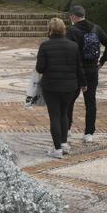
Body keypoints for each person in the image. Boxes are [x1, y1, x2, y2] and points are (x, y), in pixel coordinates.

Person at [36, 17, 86, 159]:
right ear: (64, 29)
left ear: (50, 29)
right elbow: (79, 67)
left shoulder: (45, 46)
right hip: (70, 87)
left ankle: (57, 149)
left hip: (51, 86)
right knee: (64, 114)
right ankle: (64, 143)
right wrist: (84, 83)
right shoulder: (73, 46)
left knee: (55, 116)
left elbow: (40, 68)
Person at [66, 4, 107, 144]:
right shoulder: (96, 28)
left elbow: (67, 51)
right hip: (92, 70)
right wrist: (102, 62)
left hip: (75, 71)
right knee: (90, 102)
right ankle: (89, 133)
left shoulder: (72, 31)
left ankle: (67, 128)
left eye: (71, 16)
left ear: (74, 16)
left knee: (69, 100)